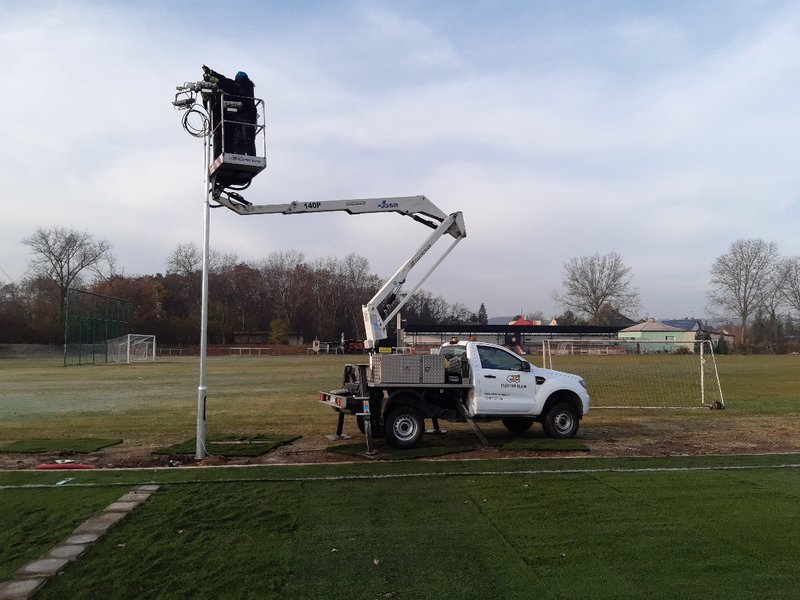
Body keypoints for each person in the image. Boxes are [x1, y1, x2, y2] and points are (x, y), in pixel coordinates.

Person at [202, 66, 257, 158]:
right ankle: (239, 157)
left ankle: (251, 157)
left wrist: (217, 82)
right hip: (238, 118)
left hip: (248, 117)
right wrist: (212, 72)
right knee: (238, 140)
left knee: (247, 139)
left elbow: (232, 90)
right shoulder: (238, 85)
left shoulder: (247, 88)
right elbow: (225, 79)